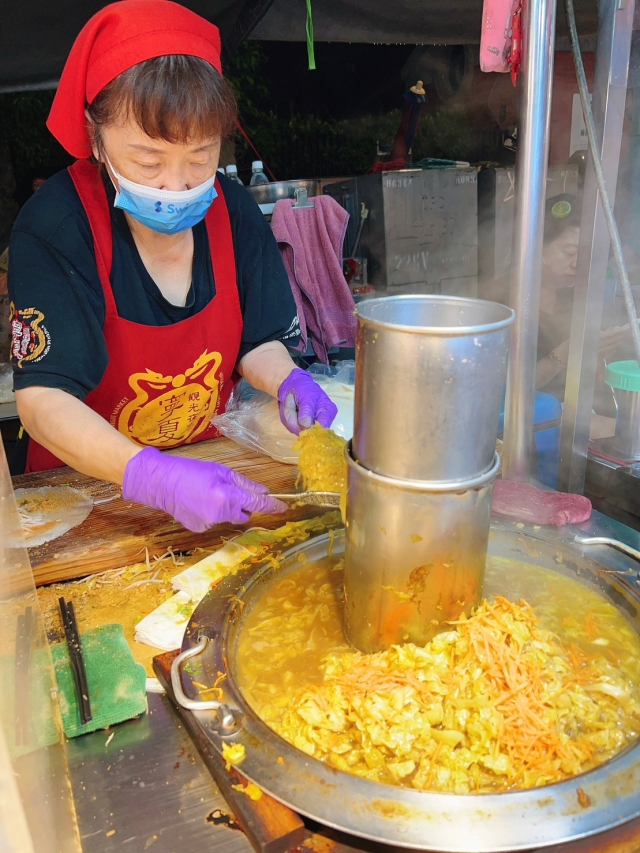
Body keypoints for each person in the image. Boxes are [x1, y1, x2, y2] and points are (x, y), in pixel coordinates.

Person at [8, 0, 337, 533]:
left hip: (215, 483)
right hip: (84, 501)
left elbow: (258, 340)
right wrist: (152, 476)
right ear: (96, 135)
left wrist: (287, 380)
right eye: (148, 161)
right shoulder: (56, 227)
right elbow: (43, 399)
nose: (177, 185)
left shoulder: (232, 210)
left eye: (200, 157)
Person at [483, 193, 628, 403]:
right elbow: (498, 387)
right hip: (526, 419)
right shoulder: (498, 301)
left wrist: (600, 351)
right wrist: (563, 354)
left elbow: (592, 381)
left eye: (588, 255)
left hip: (576, 410)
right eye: (570, 252)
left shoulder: (578, 296)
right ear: (537, 246)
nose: (579, 264)